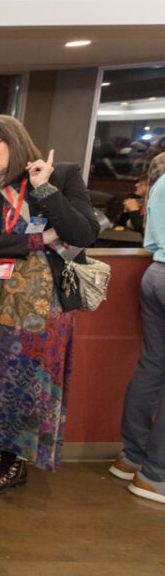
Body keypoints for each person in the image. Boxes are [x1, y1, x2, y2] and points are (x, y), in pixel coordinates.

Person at [0, 114, 99, 530]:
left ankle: (10, 462)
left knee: (30, 385)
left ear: (12, 141)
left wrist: (44, 190)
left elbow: (83, 232)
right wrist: (35, 239)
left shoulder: (60, 176)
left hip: (44, 304)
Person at [111, 153, 165, 502]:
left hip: (156, 272)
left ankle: (131, 457)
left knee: (152, 365)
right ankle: (156, 474)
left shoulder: (160, 183)